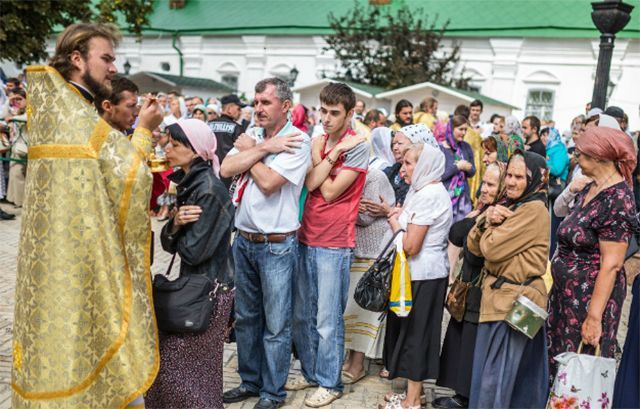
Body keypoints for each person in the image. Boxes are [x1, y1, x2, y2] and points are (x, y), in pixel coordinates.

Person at [12, 23, 164, 408]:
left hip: (63, 258)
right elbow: (129, 172)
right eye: (107, 58)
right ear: (77, 59)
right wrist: (144, 131)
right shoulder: (72, 113)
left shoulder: (63, 105)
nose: (113, 68)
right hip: (81, 261)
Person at [221, 78, 310, 409]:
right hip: (243, 240)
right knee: (245, 318)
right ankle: (250, 381)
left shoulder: (297, 141)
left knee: (276, 324)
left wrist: (250, 152)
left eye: (265, 103)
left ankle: (272, 393)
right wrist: (260, 148)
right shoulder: (255, 136)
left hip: (276, 245)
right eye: (255, 102)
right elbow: (227, 168)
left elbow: (271, 183)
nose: (257, 108)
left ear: (285, 106)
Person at [146, 119, 234, 408]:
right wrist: (174, 222)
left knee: (188, 376)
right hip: (196, 288)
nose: (167, 149)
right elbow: (168, 243)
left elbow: (193, 253)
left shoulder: (208, 189)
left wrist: (176, 227)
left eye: (175, 144)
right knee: (185, 374)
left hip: (208, 292)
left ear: (195, 150)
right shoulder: (191, 184)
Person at [291, 83, 369, 408]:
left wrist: (325, 158)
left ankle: (330, 382)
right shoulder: (321, 140)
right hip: (306, 234)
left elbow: (331, 191)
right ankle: (312, 373)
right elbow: (310, 184)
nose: (325, 118)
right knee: (304, 315)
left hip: (335, 241)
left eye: (334, 113)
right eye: (322, 110)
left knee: (327, 318)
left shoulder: (360, 145)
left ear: (350, 113)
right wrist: (333, 154)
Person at [546, 127, 637, 381]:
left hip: (589, 302)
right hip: (566, 298)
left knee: (577, 374)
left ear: (599, 157)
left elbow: (612, 264)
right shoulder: (590, 186)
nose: (576, 158)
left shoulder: (618, 198)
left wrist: (594, 318)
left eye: (581, 154)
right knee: (558, 365)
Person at [467, 151, 550, 408]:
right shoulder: (515, 205)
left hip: (517, 303)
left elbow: (490, 250)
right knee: (498, 379)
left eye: (519, 177)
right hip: (500, 300)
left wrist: (487, 224)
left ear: (535, 179)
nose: (511, 182)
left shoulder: (534, 210)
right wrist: (486, 220)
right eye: (509, 176)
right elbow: (473, 246)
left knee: (498, 380)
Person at [383, 143, 453, 409]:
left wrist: (393, 221)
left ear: (424, 165)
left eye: (409, 163)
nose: (403, 169)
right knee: (413, 331)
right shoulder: (423, 189)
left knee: (416, 334)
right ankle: (416, 393)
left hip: (423, 274)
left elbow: (412, 246)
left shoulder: (428, 194)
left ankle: (412, 401)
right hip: (418, 273)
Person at [434, 162, 507, 409]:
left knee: (471, 343)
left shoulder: (501, 215)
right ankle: (459, 393)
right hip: (466, 285)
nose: (483, 189)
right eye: (483, 183)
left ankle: (465, 397)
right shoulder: (482, 210)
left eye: (490, 185)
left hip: (481, 287)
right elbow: (457, 236)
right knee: (460, 337)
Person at [341, 167, 395, 385]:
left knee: (363, 309)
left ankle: (358, 364)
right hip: (356, 249)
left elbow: (364, 216)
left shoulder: (373, 176)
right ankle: (350, 358)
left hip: (373, 252)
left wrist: (342, 203)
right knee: (350, 310)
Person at [383, 124, 438, 206]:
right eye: (393, 144)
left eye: (399, 143)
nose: (395, 148)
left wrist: (388, 211)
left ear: (416, 145)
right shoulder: (394, 169)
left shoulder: (424, 180)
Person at [540, 127, 570, 257]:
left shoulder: (559, 149)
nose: (543, 138)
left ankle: (551, 256)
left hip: (556, 190)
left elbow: (557, 169)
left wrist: (544, 166)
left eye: (545, 135)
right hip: (550, 189)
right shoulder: (550, 148)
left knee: (553, 224)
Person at [441, 115, 476, 223]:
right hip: (445, 197)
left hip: (463, 197)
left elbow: (472, 171)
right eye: (460, 129)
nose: (464, 133)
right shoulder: (440, 149)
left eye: (465, 129)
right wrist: (457, 167)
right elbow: (440, 175)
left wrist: (467, 168)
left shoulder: (466, 147)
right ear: (451, 128)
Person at [209, 94, 246, 188]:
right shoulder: (237, 128)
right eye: (238, 109)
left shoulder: (208, 124)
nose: (240, 112)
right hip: (228, 175)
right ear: (229, 108)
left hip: (208, 173)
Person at [5, 88, 27, 208]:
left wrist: (13, 118)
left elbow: (28, 118)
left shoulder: (30, 110)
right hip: (15, 147)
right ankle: (16, 200)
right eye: (16, 99)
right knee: (14, 174)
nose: (17, 101)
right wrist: (9, 100)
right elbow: (3, 115)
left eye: (20, 99)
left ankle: (22, 202)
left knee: (19, 175)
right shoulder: (16, 111)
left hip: (24, 148)